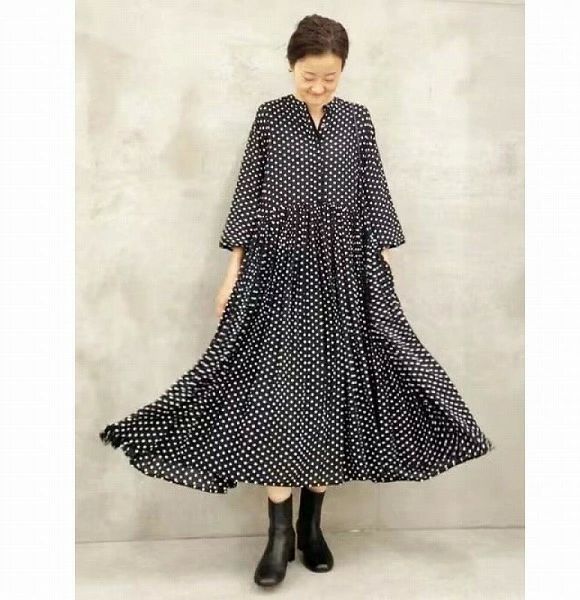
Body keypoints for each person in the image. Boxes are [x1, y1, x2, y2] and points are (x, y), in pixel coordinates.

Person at [99, 14, 494, 589]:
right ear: (291, 67)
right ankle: (278, 535)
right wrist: (231, 273)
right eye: (309, 76)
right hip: (277, 274)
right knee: (278, 399)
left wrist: (383, 261)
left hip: (346, 273)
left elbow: (373, 190)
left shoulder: (357, 120)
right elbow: (248, 194)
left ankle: (312, 528)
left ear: (343, 71)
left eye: (330, 77)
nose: (319, 87)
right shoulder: (270, 118)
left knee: (335, 396)